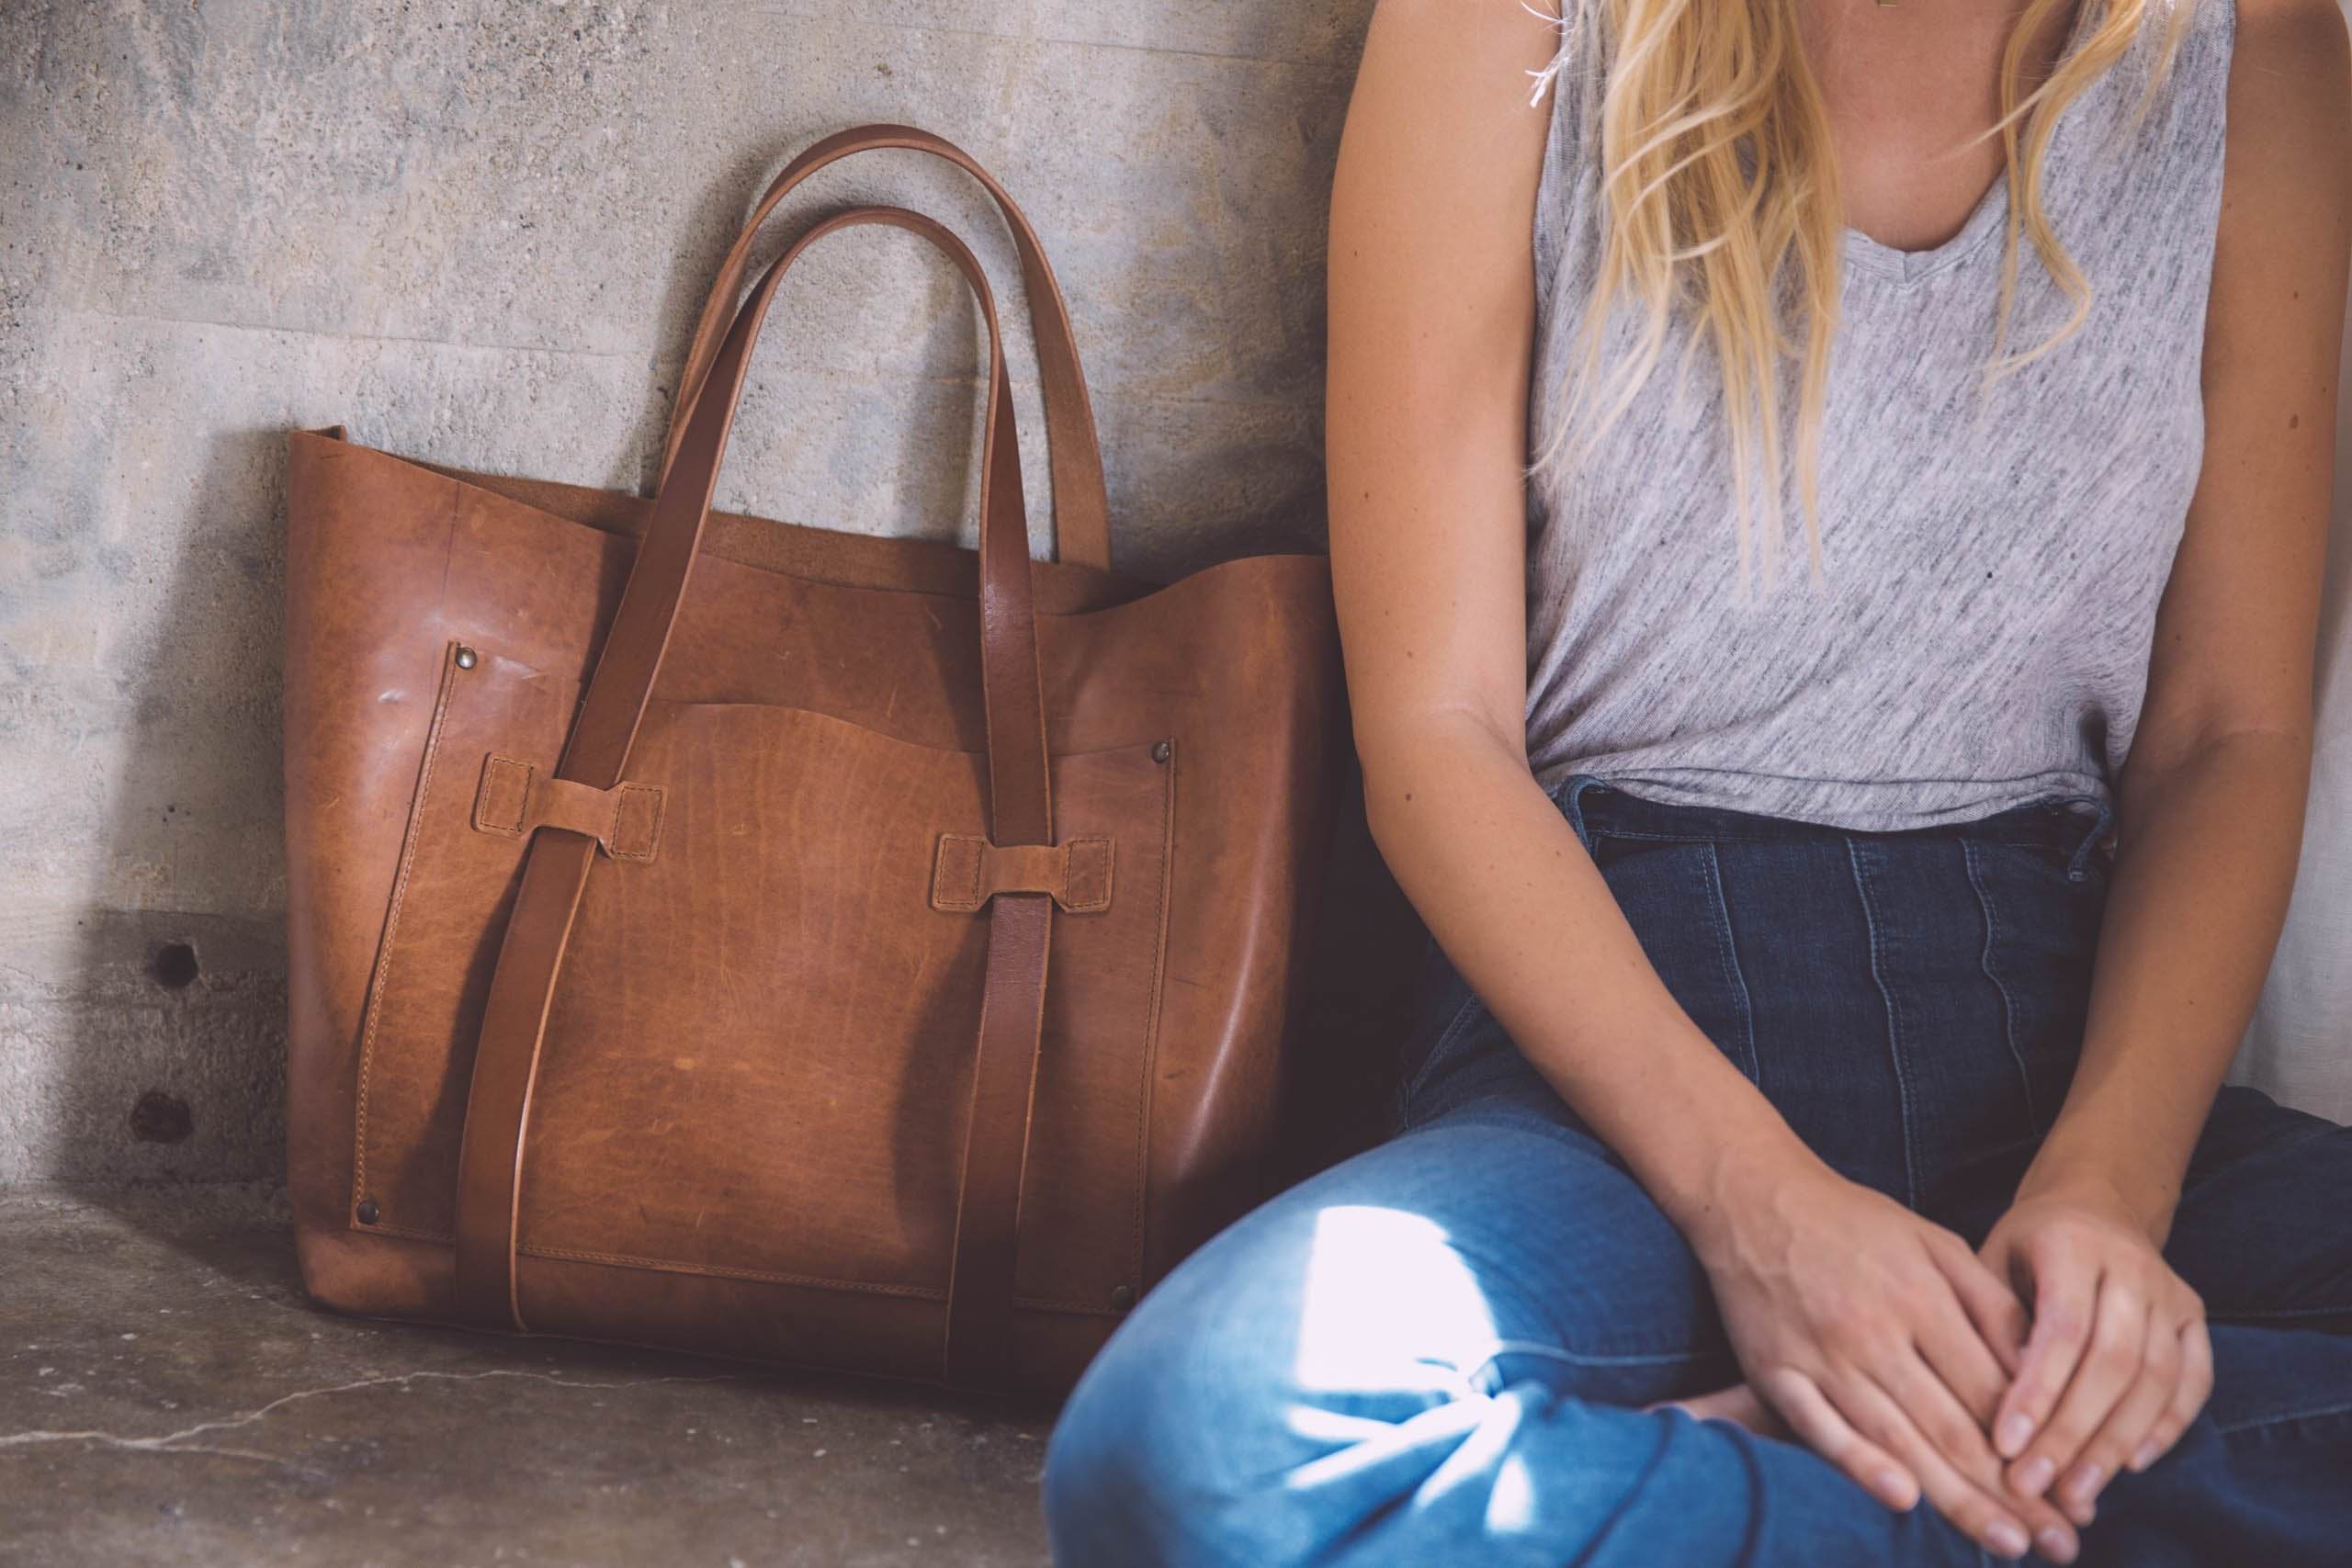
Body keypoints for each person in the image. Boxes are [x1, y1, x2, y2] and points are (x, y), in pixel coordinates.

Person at [1042, 0, 2352, 1562]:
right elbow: (1438, 732)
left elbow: (2226, 738)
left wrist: (2113, 1194)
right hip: (1616, 1066)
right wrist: (1761, 1215)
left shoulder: (2257, 50)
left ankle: (1793, 1483)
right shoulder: (1518, 21)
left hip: (2068, 1057)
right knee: (1206, 1453)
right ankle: (2013, 1492)